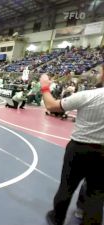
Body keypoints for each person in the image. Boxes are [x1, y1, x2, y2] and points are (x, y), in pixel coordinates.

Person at [41, 68, 104, 225]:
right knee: (96, 193)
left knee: (67, 187)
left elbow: (51, 105)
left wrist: (44, 86)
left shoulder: (89, 95)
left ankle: (57, 218)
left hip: (80, 149)